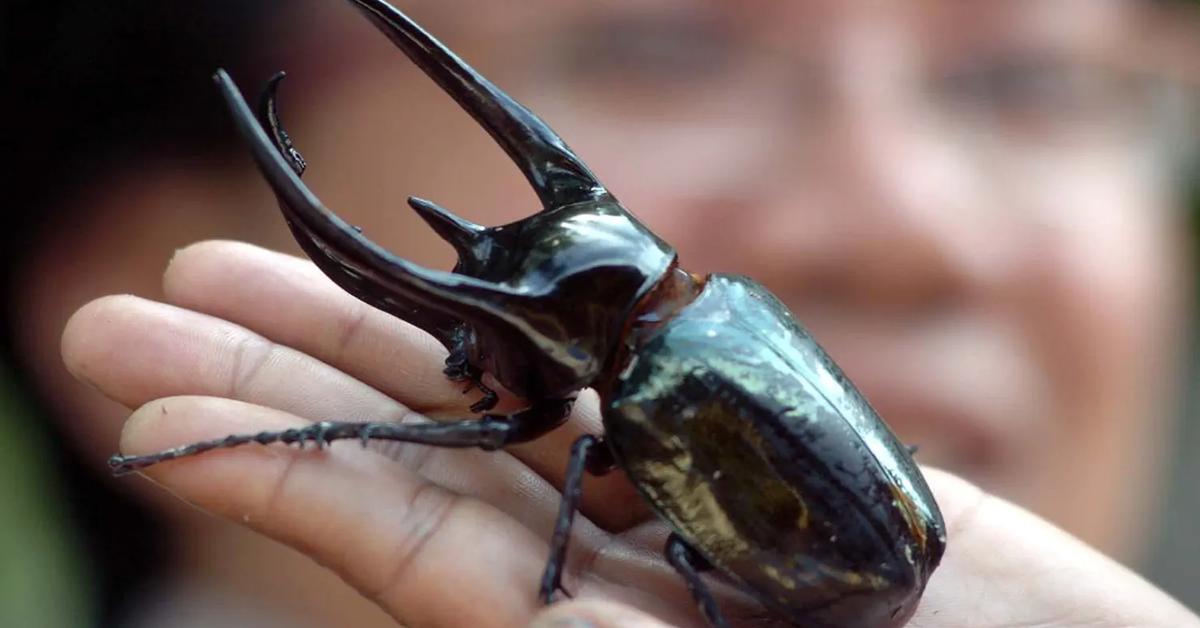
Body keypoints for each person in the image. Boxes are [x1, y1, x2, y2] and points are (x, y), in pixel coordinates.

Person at [13, 0, 1200, 625]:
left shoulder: (659, 371)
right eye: (658, 50)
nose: (902, 223)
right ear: (121, 242)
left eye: (1032, 78)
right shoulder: (713, 323)